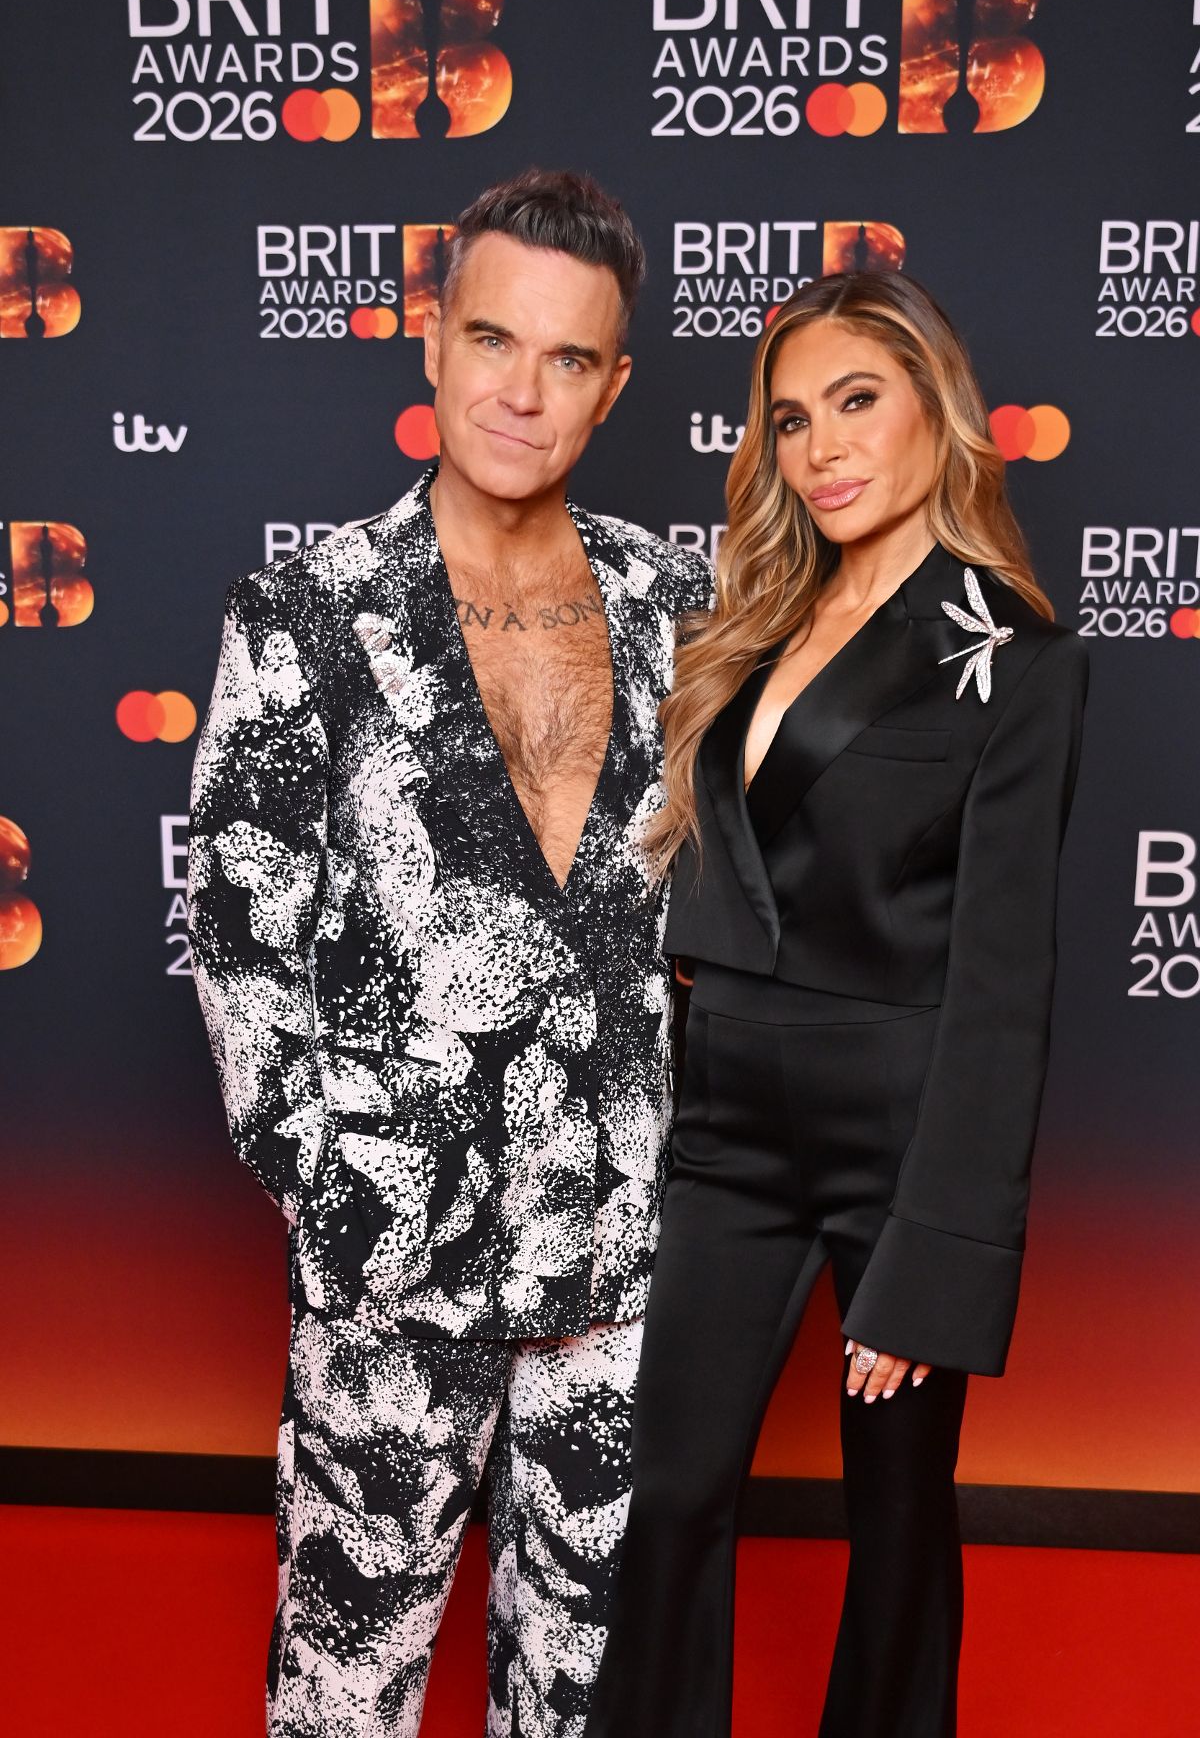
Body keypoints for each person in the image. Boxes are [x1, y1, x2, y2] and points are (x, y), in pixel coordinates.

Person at [186, 168, 711, 1738]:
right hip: (389, 1281)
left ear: (615, 387)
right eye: (493, 338)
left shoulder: (682, 608)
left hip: (618, 1275)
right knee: (345, 1700)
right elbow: (239, 943)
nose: (521, 392)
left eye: (568, 360)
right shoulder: (310, 609)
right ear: (432, 340)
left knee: (583, 1706)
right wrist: (343, 1192)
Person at [583, 271, 1088, 1738]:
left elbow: (1002, 982)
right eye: (792, 420)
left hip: (898, 1143)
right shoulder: (748, 624)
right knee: (668, 1501)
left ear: (937, 405)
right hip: (724, 1121)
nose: (822, 449)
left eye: (857, 402)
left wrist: (938, 1256)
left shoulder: (1022, 663)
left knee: (896, 1528)